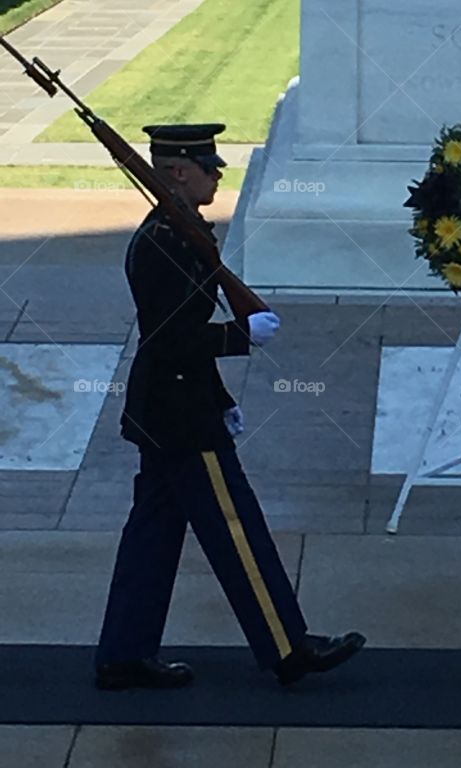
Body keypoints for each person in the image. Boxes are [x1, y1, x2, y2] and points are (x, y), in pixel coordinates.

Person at [95, 122, 365, 690]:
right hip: (181, 419)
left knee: (154, 532)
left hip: (174, 407)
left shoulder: (179, 233)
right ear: (175, 173)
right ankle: (288, 648)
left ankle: (124, 653)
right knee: (236, 529)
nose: (217, 173)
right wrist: (239, 338)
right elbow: (169, 339)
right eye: (205, 166)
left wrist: (221, 396)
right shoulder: (163, 244)